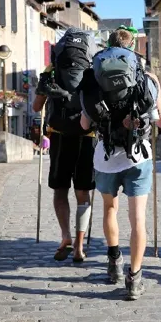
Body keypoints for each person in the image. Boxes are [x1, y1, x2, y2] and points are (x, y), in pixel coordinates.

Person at [79, 27, 161, 300]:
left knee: (109, 209)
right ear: (133, 49)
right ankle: (135, 278)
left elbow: (84, 125)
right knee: (137, 218)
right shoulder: (148, 79)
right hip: (139, 156)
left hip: (106, 158)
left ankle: (114, 261)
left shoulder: (94, 78)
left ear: (108, 47)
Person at [33, 27, 98, 263]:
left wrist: (48, 89)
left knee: (60, 190)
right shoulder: (92, 68)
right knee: (83, 193)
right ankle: (80, 246)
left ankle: (65, 236)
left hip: (59, 134)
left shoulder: (52, 69)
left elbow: (36, 107)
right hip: (86, 134)